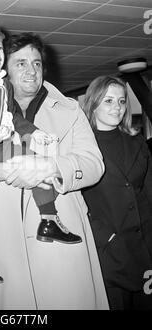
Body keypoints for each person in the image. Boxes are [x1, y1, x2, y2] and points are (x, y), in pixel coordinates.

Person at [0, 32, 109, 309]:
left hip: (59, 237)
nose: (32, 70)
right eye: (21, 63)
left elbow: (94, 164)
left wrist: (50, 167)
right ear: (3, 70)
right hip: (3, 241)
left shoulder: (70, 110)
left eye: (37, 63)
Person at [82, 75, 152, 310]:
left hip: (145, 248)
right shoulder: (81, 149)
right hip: (109, 255)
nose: (117, 107)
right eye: (109, 101)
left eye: (122, 101)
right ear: (93, 104)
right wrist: (107, 239)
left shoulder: (137, 143)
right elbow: (76, 203)